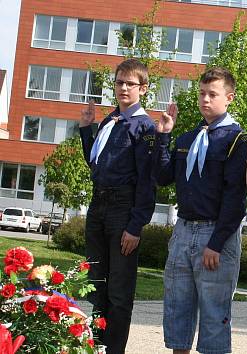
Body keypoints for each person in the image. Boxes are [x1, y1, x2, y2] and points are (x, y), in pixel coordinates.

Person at [153, 67, 247, 354]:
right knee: (177, 308)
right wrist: (164, 137)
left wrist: (216, 243)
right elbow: (163, 176)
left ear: (229, 98)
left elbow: (235, 198)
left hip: (215, 233)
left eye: (213, 94)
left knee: (214, 314)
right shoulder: (188, 139)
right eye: (202, 93)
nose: (205, 100)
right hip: (183, 229)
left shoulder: (236, 140)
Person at [79, 58, 156, 353]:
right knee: (96, 283)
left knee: (119, 292)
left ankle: (114, 350)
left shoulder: (144, 127)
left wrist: (135, 225)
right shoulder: (110, 121)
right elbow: (97, 165)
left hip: (123, 210)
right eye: (119, 82)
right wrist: (87, 130)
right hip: (98, 205)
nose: (123, 88)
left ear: (143, 89)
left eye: (130, 83)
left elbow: (147, 182)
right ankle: (97, 346)